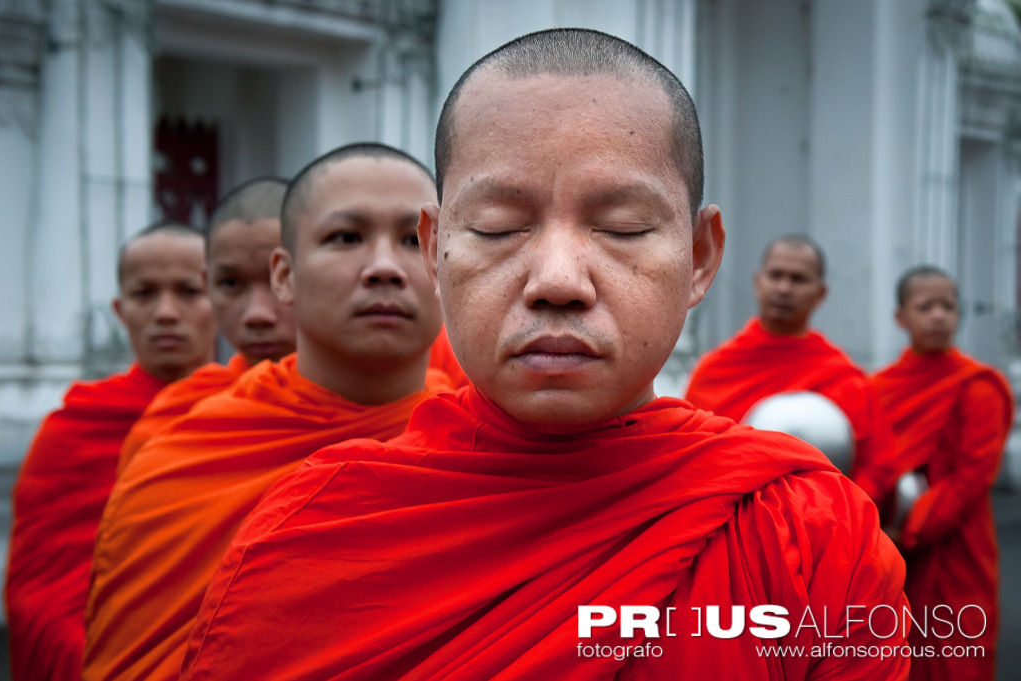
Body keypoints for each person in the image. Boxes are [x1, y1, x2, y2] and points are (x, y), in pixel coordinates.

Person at [179, 29, 909, 681]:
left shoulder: (806, 531)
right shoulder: (319, 530)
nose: (558, 280)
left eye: (622, 226)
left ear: (698, 256)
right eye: (498, 227)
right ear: (436, 251)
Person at [82, 143, 456, 681]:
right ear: (283, 275)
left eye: (411, 239)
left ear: (446, 264)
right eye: (346, 237)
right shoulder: (183, 458)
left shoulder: (482, 451)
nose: (383, 268)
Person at [5, 222, 216, 681]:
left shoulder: (254, 416)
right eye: (145, 294)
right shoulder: (76, 428)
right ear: (121, 311)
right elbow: (39, 588)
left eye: (189, 291)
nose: (165, 312)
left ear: (222, 298)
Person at [870, 266, 1013, 681]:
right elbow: (870, 464)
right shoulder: (879, 388)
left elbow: (972, 479)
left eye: (947, 306)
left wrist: (909, 533)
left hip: (955, 548)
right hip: (885, 551)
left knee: (957, 655)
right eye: (925, 306)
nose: (937, 316)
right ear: (901, 318)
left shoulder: (978, 387)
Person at [684, 234, 897, 503]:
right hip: (727, 519)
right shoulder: (716, 369)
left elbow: (878, 467)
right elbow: (691, 455)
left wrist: (837, 516)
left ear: (821, 294)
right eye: (776, 275)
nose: (784, 288)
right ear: (758, 282)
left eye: (798, 279)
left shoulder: (840, 374)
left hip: (822, 522)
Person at [117, 177, 297, 471]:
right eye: (230, 284)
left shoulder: (384, 407)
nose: (256, 314)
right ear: (208, 285)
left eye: (282, 278)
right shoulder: (170, 426)